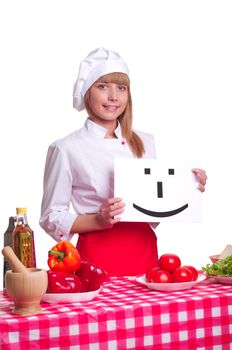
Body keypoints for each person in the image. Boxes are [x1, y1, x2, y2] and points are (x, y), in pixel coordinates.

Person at [40, 47, 207, 276]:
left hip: (144, 250)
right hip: (97, 256)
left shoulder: (145, 142)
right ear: (87, 92)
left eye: (121, 88)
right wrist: (100, 220)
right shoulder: (66, 148)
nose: (114, 97)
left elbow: (151, 205)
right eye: (102, 86)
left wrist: (185, 187)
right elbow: (51, 217)